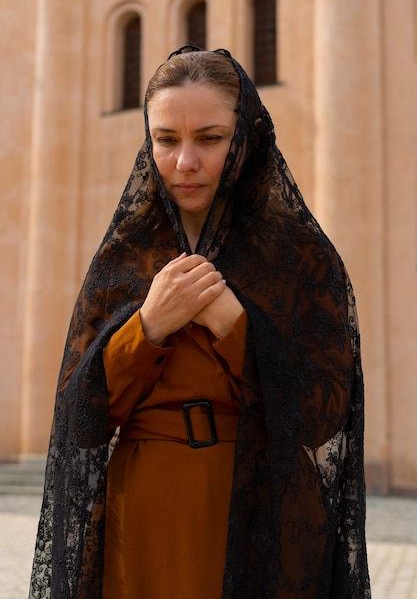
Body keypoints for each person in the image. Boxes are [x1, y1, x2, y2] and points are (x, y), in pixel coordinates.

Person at [29, 46, 371, 599]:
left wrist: (237, 326)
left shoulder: (302, 258)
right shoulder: (125, 258)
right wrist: (149, 327)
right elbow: (80, 418)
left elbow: (324, 417)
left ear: (245, 138)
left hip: (264, 517)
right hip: (143, 526)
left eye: (209, 139)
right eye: (166, 139)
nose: (185, 162)